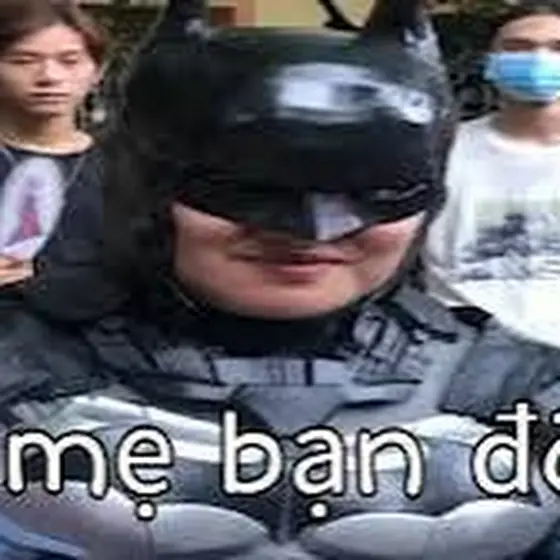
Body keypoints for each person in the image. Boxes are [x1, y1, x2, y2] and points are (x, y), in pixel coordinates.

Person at [1, 0, 560, 558]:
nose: (312, 230)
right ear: (145, 189)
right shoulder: (20, 367)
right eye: (248, 189)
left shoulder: (518, 387)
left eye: (376, 192)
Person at [423, 0, 560, 346]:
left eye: (557, 48)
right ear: (490, 64)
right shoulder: (436, 152)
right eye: (518, 48)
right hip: (461, 354)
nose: (539, 59)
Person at [0, 0, 118, 321]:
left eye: (70, 61)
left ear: (98, 72)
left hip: (109, 342)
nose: (49, 76)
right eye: (23, 60)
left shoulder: (129, 165)